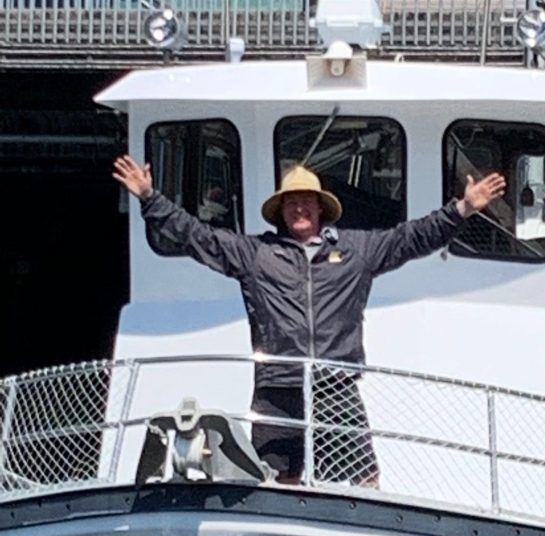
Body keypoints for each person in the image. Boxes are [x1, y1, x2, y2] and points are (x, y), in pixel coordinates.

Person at [113, 155, 506, 486]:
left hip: (335, 385)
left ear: (321, 209)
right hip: (276, 388)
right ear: (281, 212)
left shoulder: (357, 251)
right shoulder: (256, 254)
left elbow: (413, 237)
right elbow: (198, 237)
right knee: (275, 484)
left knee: (364, 483)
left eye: (306, 202)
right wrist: (150, 198)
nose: (299, 209)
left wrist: (462, 208)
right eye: (291, 203)